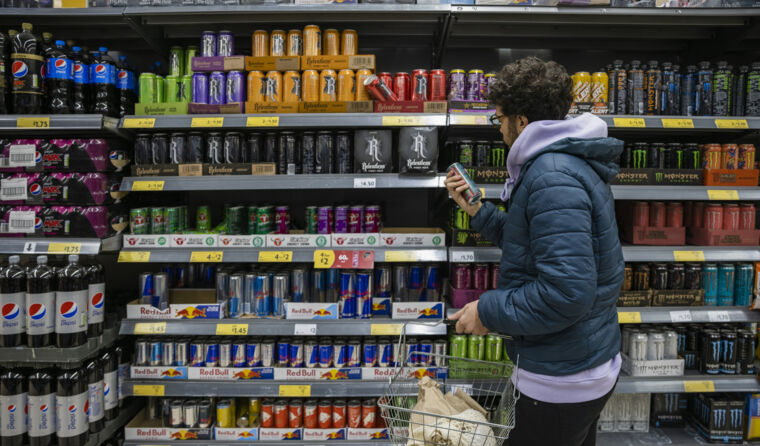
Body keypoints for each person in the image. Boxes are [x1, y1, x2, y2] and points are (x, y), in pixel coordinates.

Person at [445, 57, 625, 446]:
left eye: (500, 120)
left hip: (563, 379)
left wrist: (487, 311)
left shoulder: (552, 175)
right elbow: (539, 243)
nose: (500, 131)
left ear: (521, 121)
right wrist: (479, 212)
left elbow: (566, 293)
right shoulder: (560, 163)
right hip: (575, 361)